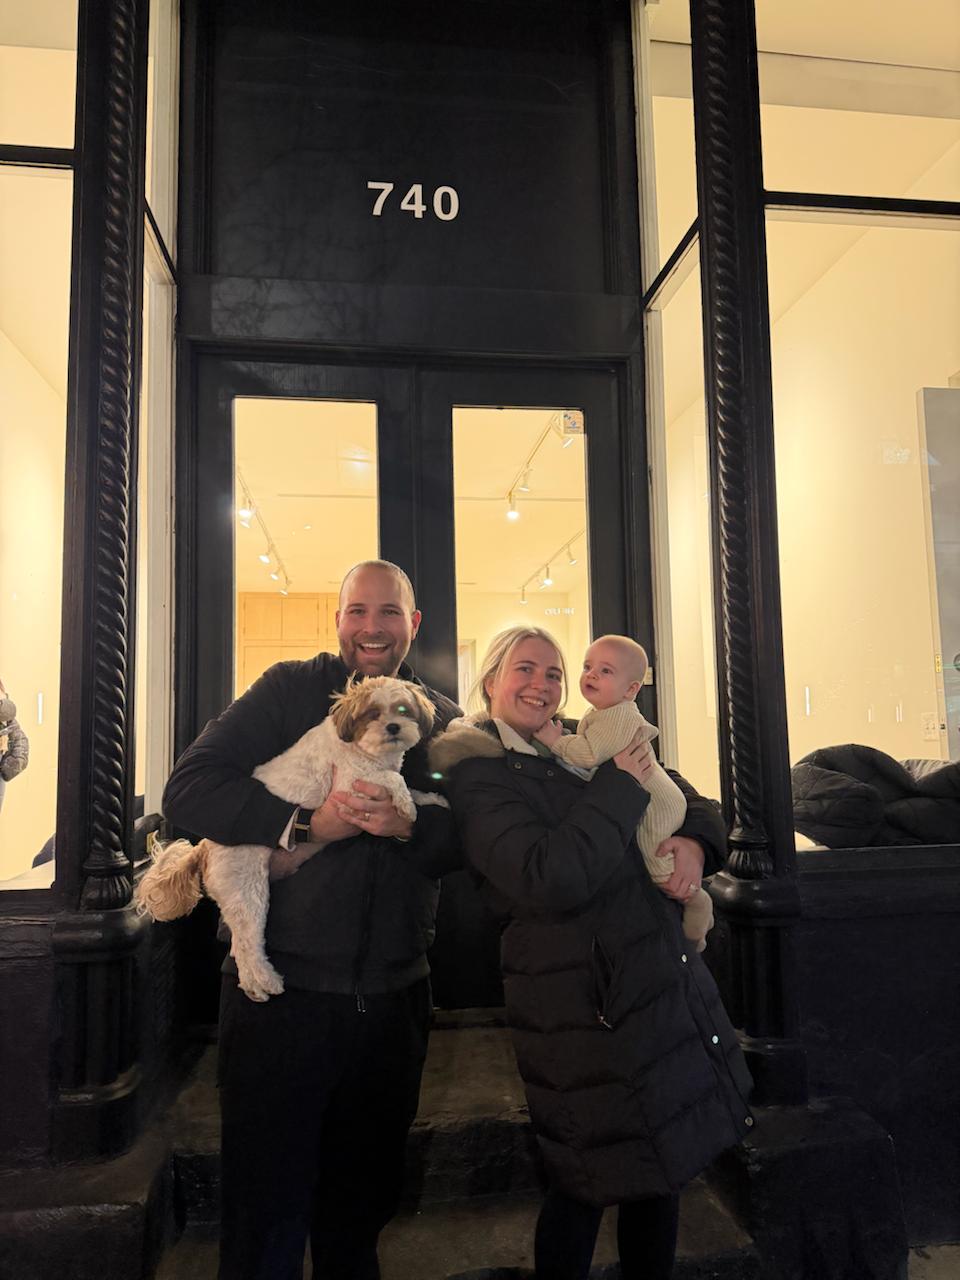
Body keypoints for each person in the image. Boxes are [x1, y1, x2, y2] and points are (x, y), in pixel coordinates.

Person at [162, 560, 461, 1280]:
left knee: (360, 1215)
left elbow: (473, 834)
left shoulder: (439, 716)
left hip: (392, 1002)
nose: (371, 627)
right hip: (281, 1004)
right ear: (338, 620)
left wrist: (408, 829)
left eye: (389, 613)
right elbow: (189, 791)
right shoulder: (288, 690)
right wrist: (304, 823)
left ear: (412, 624)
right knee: (264, 1216)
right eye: (357, 611)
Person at [429, 627, 753, 1280]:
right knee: (584, 1178)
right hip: (579, 1011)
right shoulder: (478, 772)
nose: (543, 686)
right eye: (525, 669)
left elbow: (698, 803)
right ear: (491, 680)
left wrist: (694, 844)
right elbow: (546, 876)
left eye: (554, 673)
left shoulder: (594, 734)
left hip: (658, 991)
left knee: (662, 1172)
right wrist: (620, 789)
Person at [534, 634, 713, 951]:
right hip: (652, 796)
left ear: (631, 690)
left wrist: (554, 741)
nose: (591, 675)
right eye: (588, 666)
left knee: (658, 862)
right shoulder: (601, 714)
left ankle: (697, 902)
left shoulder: (617, 715)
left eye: (605, 671)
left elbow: (588, 755)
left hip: (656, 802)